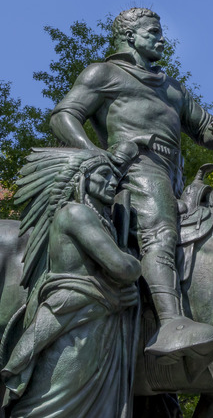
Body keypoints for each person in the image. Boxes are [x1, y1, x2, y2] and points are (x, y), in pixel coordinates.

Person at [49, 8, 213, 362]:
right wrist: (94, 154)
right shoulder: (104, 73)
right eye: (154, 32)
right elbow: (63, 115)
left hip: (173, 173)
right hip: (134, 167)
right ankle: (172, 322)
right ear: (131, 36)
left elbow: (205, 131)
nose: (162, 39)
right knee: (159, 228)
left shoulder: (172, 88)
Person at [2, 147, 141, 417]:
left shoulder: (102, 221)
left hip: (95, 317)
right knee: (54, 401)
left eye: (114, 177)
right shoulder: (76, 213)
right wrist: (135, 262)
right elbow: (122, 267)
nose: (113, 182)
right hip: (72, 316)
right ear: (82, 178)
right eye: (104, 175)